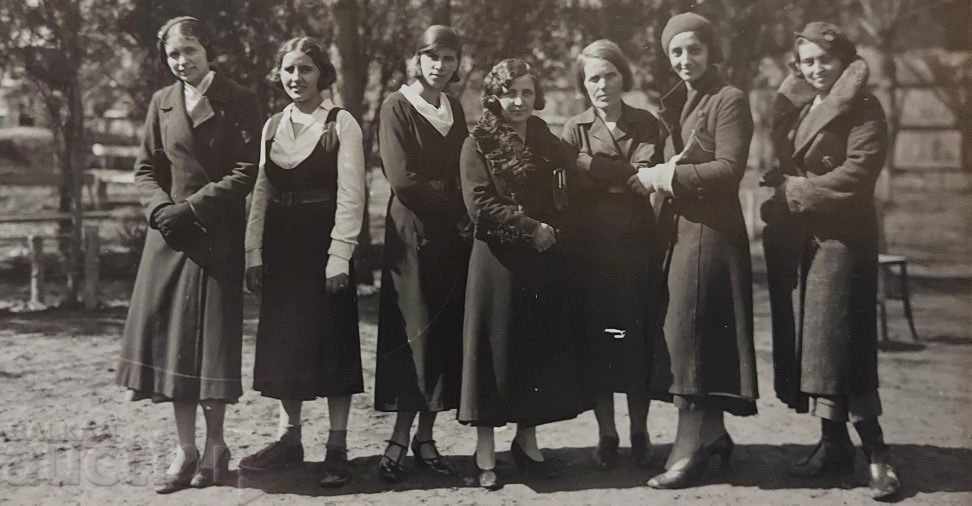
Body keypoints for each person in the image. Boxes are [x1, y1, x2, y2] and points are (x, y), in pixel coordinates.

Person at [114, 16, 260, 494]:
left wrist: (193, 208)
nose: (182, 62)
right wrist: (160, 210)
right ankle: (186, 450)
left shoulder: (239, 99)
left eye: (189, 51)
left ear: (207, 51)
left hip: (215, 236)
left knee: (211, 348)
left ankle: (216, 446)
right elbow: (144, 168)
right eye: (174, 55)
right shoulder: (162, 102)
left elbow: (247, 169)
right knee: (174, 345)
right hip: (169, 239)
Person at [761, 21, 900, 500]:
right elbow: (793, 160)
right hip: (804, 241)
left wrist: (797, 191)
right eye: (807, 61)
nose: (816, 69)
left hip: (842, 242)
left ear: (843, 60)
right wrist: (777, 181)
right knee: (816, 349)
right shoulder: (803, 107)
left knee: (845, 346)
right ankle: (832, 446)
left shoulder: (864, 108)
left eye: (825, 59)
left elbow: (857, 174)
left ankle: (879, 457)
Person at [633, 12, 757, 489]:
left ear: (711, 50)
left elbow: (730, 169)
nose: (686, 59)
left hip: (713, 231)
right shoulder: (681, 101)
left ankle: (688, 447)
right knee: (695, 329)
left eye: (694, 49)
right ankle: (716, 435)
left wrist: (668, 176)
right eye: (676, 52)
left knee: (687, 334)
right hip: (684, 230)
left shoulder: (729, 99)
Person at [238, 36, 366, 489]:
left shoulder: (340, 122)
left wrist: (340, 256)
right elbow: (260, 192)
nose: (296, 78)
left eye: (306, 69)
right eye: (289, 70)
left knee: (332, 344)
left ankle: (337, 446)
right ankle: (289, 438)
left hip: (323, 246)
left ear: (321, 74)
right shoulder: (273, 126)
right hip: (281, 249)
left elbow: (352, 195)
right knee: (284, 346)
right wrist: (253, 253)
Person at [459, 58, 587, 490]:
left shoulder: (545, 137)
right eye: (510, 91)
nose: (518, 101)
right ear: (494, 95)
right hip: (497, 261)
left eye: (527, 93)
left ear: (537, 97)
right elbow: (479, 206)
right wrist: (531, 228)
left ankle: (527, 442)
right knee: (493, 353)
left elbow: (571, 179)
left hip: (540, 261)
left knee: (531, 349)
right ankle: (484, 450)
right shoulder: (478, 141)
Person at [562, 39, 669, 470]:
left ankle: (640, 431)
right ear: (583, 85)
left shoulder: (647, 124)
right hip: (592, 255)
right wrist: (614, 173)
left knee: (636, 343)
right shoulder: (574, 128)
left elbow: (648, 174)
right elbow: (575, 180)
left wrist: (594, 167)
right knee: (601, 343)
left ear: (623, 77)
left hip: (638, 250)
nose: (602, 85)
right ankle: (607, 433)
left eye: (609, 76)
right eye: (593, 78)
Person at [373, 25, 471, 483]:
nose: (440, 65)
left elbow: (466, 171)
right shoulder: (396, 106)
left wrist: (456, 200)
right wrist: (452, 199)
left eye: (448, 58)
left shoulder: (454, 109)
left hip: (450, 240)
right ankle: (396, 436)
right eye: (432, 56)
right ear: (417, 59)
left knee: (440, 336)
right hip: (411, 238)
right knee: (412, 334)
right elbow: (404, 180)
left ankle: (425, 437)